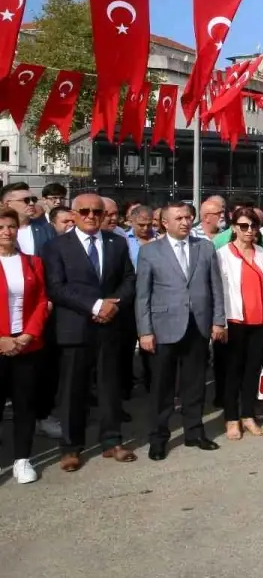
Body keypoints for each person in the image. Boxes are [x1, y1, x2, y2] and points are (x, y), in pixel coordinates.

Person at [42, 193, 137, 471]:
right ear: (74, 214)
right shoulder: (56, 246)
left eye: (97, 211)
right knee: (73, 390)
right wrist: (96, 305)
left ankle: (112, 441)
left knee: (110, 386)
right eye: (84, 211)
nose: (91, 216)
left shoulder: (117, 243)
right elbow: (56, 287)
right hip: (75, 327)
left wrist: (114, 305)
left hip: (110, 325)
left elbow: (129, 279)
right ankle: (71, 447)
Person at [136, 200, 226, 461]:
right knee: (162, 386)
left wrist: (218, 321)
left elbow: (215, 288)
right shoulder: (151, 252)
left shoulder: (205, 248)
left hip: (197, 325)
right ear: (165, 222)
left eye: (188, 217)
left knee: (195, 384)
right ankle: (159, 437)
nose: (186, 222)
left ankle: (194, 432)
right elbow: (143, 296)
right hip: (163, 327)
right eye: (179, 218)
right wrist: (145, 332)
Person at [0, 206, 51, 484]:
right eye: (1, 228)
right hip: (1, 342)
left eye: (10, 227)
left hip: (27, 344)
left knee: (25, 405)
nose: (6, 232)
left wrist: (28, 335)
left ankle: (22, 459)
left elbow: (42, 301)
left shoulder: (32, 262)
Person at [215, 207, 263, 440]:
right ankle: (231, 418)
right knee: (232, 372)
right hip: (234, 320)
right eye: (244, 226)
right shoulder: (222, 253)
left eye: (253, 226)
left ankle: (248, 415)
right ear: (234, 227)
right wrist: (219, 322)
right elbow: (216, 291)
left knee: (252, 371)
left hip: (261, 320)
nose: (249, 230)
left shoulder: (261, 253)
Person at [1, 183, 55, 257]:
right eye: (26, 200)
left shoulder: (47, 229)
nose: (32, 203)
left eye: (33, 199)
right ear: (7, 204)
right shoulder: (3, 232)